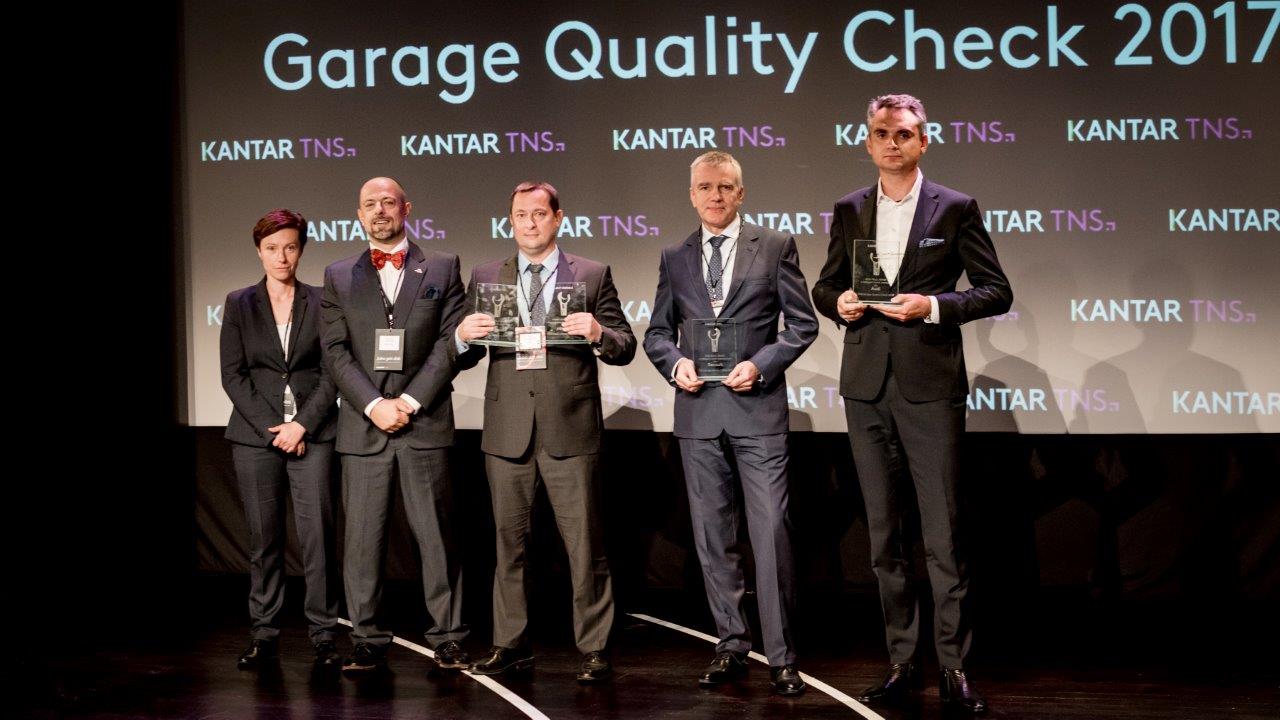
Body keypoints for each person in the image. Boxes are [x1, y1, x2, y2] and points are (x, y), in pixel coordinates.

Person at [811, 93, 1012, 714]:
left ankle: (954, 666)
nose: (891, 143)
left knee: (943, 536)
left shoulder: (954, 207)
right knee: (883, 537)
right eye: (881, 133)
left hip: (930, 387)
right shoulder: (850, 208)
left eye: (903, 133)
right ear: (867, 142)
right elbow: (825, 284)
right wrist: (838, 302)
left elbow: (996, 290)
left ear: (923, 141)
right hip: (866, 386)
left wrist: (935, 306)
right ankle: (902, 662)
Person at [644, 151, 817, 696]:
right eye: (705, 187)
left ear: (740, 193)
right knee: (713, 538)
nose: (714, 196)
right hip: (698, 413)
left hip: (757, 410)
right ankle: (731, 644)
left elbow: (802, 324)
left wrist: (761, 365)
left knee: (770, 535)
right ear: (691, 195)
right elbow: (657, 332)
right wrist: (675, 364)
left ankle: (782, 657)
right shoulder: (674, 256)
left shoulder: (775, 245)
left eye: (724, 187)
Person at [455, 181, 635, 684]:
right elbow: (466, 355)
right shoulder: (486, 275)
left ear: (558, 218)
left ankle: (594, 648)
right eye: (521, 215)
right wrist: (462, 337)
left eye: (539, 214)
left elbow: (625, 345)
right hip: (507, 430)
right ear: (510, 221)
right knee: (508, 545)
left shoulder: (592, 274)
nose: (530, 223)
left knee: (584, 546)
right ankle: (510, 644)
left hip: (570, 428)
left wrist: (598, 333)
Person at [321, 177, 469, 674]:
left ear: (406, 208)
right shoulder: (338, 274)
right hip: (364, 427)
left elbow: (450, 343)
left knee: (437, 537)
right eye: (370, 204)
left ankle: (448, 636)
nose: (380, 210)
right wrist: (372, 405)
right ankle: (366, 636)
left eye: (388, 202)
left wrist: (406, 401)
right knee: (362, 542)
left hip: (423, 422)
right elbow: (335, 352)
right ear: (359, 215)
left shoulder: (443, 266)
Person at [220, 208, 341, 669]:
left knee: (318, 539)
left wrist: (301, 426)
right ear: (259, 251)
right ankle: (264, 633)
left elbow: (332, 372)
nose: (281, 257)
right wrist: (276, 430)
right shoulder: (239, 303)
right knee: (263, 539)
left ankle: (324, 634)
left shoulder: (322, 300)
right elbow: (233, 375)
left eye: (290, 247)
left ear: (301, 249)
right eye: (272, 248)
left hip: (314, 434)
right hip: (257, 438)